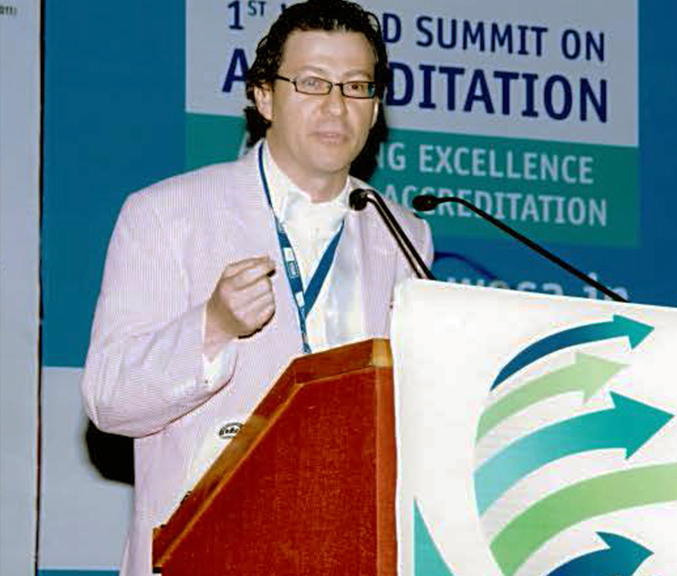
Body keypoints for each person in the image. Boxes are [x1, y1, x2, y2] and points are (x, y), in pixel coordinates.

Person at [80, 2, 432, 575]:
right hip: (206, 553)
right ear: (264, 97)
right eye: (312, 83)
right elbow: (109, 400)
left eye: (356, 86)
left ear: (374, 109)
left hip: (350, 551)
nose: (336, 106)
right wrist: (212, 327)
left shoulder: (402, 233)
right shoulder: (166, 214)